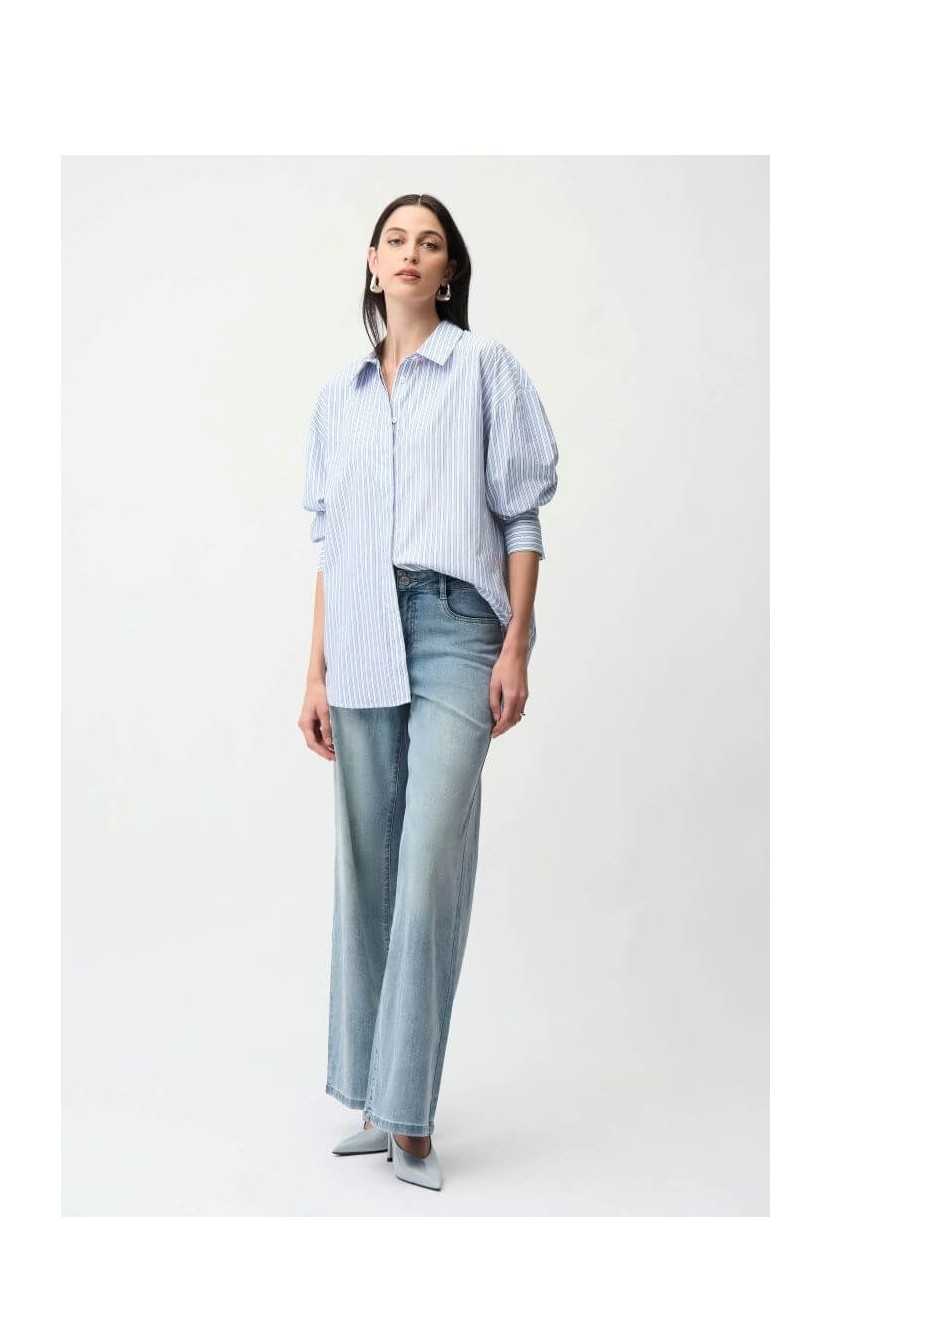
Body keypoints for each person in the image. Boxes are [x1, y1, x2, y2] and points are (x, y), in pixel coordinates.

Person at [297, 193, 560, 1191]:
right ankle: (375, 1098)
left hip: (458, 626)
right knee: (367, 865)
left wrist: (517, 643)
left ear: (449, 272)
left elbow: (521, 514)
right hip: (361, 625)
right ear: (373, 263)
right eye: (396, 240)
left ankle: (411, 1114)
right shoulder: (340, 398)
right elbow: (331, 543)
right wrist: (314, 669)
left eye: (431, 243)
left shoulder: (485, 367)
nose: (411, 253)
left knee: (427, 863)